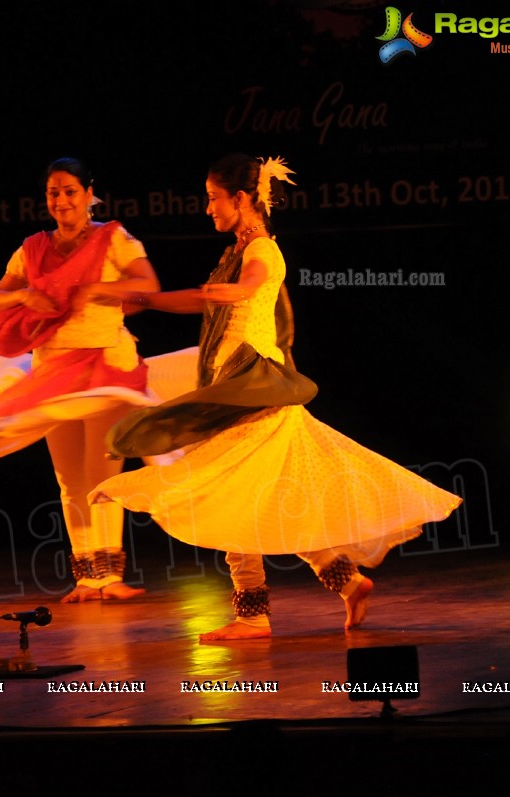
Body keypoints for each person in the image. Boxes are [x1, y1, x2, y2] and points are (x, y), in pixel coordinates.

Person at [91, 154, 461, 640]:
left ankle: (252, 613)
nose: (208, 209)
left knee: (234, 496)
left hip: (253, 390)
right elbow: (215, 294)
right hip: (238, 387)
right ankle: (348, 583)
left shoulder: (261, 249)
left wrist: (216, 293)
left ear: (241, 199)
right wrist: (147, 300)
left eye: (213, 198)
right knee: (264, 498)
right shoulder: (238, 251)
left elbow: (248, 287)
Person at [0, 158, 161, 602]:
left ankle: (111, 573)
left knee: (102, 470)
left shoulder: (114, 238)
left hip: (104, 366)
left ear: (88, 192)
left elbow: (147, 285)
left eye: (70, 191)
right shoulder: (32, 248)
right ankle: (86, 575)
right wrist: (25, 295)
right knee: (69, 477)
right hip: (53, 370)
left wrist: (101, 290)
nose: (61, 200)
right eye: (54, 193)